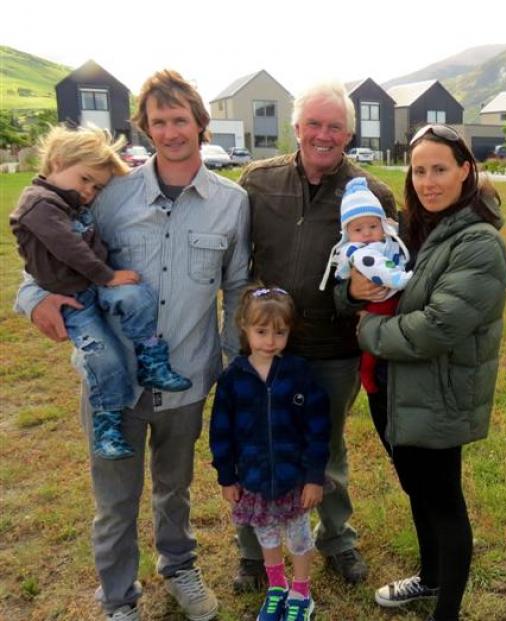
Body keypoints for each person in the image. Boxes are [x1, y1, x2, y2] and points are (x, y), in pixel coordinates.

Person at [15, 69, 250, 621]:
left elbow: (237, 285)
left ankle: (179, 568)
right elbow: (45, 256)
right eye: (159, 121)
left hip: (188, 375)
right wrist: (33, 301)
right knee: (115, 502)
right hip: (112, 382)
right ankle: (119, 599)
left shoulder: (231, 202)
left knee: (175, 488)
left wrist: (234, 360)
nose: (171, 132)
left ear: (201, 125)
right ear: (144, 129)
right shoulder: (108, 195)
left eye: (181, 120)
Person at [234, 79, 396, 588]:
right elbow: (237, 260)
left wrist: (354, 298)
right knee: (254, 441)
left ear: (348, 134)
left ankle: (336, 540)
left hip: (332, 350)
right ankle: (254, 552)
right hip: (265, 346)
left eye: (335, 127)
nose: (323, 135)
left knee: (325, 447)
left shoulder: (373, 196)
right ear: (297, 127)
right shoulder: (257, 182)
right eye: (314, 125)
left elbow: (384, 279)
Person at [350, 124, 506, 621]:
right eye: (419, 171)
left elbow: (436, 327)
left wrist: (366, 331)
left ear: (466, 170)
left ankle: (448, 612)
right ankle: (430, 577)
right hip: (394, 390)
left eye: (439, 169)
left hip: (439, 391)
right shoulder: (415, 232)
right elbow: (364, 281)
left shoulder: (479, 244)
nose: (427, 181)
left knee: (443, 501)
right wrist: (354, 293)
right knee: (418, 490)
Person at [10, 125, 192, 460]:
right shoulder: (39, 204)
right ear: (58, 161)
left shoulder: (69, 203)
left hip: (94, 286)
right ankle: (107, 424)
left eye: (96, 187)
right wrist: (107, 276)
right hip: (76, 301)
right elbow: (68, 249)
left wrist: (110, 279)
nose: (89, 192)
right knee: (103, 357)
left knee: (135, 295)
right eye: (84, 180)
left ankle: (151, 357)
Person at [210, 286, 330, 621]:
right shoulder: (234, 377)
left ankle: (301, 592)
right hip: (254, 479)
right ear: (244, 329)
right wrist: (227, 477)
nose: (270, 340)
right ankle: (277, 587)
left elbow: (318, 430)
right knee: (266, 535)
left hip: (294, 480)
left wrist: (313, 477)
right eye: (261, 331)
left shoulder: (299, 374)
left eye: (280, 332)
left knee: (299, 538)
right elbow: (220, 432)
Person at [318, 177, 411, 454]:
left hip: (394, 324)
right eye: (359, 229)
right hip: (375, 310)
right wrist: (403, 279)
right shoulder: (359, 252)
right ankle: (368, 378)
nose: (368, 233)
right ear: (347, 231)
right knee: (369, 357)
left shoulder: (385, 221)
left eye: (373, 226)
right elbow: (377, 273)